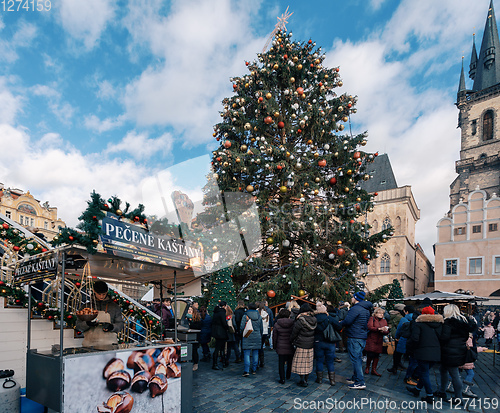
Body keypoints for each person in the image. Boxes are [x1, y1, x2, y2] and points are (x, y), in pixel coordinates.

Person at [434, 304, 476, 401]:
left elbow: (444, 337)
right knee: (444, 370)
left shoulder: (448, 323)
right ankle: (442, 391)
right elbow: (466, 337)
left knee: (454, 374)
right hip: (459, 351)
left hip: (449, 352)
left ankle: (458, 398)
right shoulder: (464, 322)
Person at [406, 306, 443, 403]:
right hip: (436, 353)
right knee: (424, 372)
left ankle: (430, 396)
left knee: (424, 373)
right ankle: (417, 390)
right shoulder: (439, 325)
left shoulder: (419, 324)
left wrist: (412, 348)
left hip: (423, 352)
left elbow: (415, 338)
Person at [76, 280, 124, 348]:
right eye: (99, 294)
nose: (101, 296)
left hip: (109, 345)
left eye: (104, 294)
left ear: (107, 292)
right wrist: (87, 324)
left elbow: (120, 324)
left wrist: (112, 327)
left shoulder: (114, 307)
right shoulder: (86, 307)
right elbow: (78, 326)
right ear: (94, 291)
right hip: (90, 345)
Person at [341, 291, 372, 390]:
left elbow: (348, 321)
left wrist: (340, 323)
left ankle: (359, 381)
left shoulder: (356, 309)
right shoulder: (366, 309)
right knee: (357, 358)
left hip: (355, 336)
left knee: (356, 359)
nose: (351, 299)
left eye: (352, 297)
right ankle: (355, 378)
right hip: (361, 336)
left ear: (355, 298)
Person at [314, 302, 342, 385]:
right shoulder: (329, 318)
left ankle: (319, 379)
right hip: (330, 342)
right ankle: (332, 380)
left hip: (318, 342)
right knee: (330, 361)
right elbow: (339, 327)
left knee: (319, 360)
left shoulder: (314, 319)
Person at [290, 303, 317, 387]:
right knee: (308, 362)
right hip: (310, 343)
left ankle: (302, 380)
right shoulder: (314, 319)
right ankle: (306, 379)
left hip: (301, 343)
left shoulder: (300, 320)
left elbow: (295, 332)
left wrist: (291, 340)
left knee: (301, 363)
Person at [364, 306, 390, 376]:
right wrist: (378, 329)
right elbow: (370, 327)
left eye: (382, 313)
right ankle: (367, 367)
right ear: (375, 314)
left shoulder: (384, 321)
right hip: (372, 339)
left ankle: (374, 369)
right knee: (370, 354)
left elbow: (386, 331)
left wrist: (385, 330)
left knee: (377, 355)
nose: (381, 315)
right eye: (379, 313)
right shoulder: (372, 319)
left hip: (379, 340)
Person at [240, 302, 263, 377]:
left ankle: (246, 370)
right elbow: (261, 328)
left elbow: (241, 327)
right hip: (257, 336)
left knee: (247, 353)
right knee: (255, 353)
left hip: (247, 336)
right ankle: (254, 369)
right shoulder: (259, 316)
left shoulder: (245, 316)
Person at [272, 308, 294, 384]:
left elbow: (274, 337)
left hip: (281, 345)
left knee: (281, 363)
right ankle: (288, 375)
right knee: (290, 362)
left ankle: (282, 378)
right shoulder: (293, 323)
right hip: (290, 345)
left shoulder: (277, 324)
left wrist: (274, 346)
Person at [211, 301, 229, 370]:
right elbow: (224, 323)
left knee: (218, 348)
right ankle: (217, 363)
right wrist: (227, 327)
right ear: (224, 306)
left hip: (216, 332)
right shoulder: (222, 312)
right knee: (220, 348)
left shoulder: (216, 312)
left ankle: (217, 363)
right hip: (221, 333)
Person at [258, 301, 270, 367]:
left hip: (258, 331)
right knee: (261, 347)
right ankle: (262, 361)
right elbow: (267, 323)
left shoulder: (257, 313)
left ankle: (257, 361)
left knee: (257, 347)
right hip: (264, 332)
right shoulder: (266, 314)